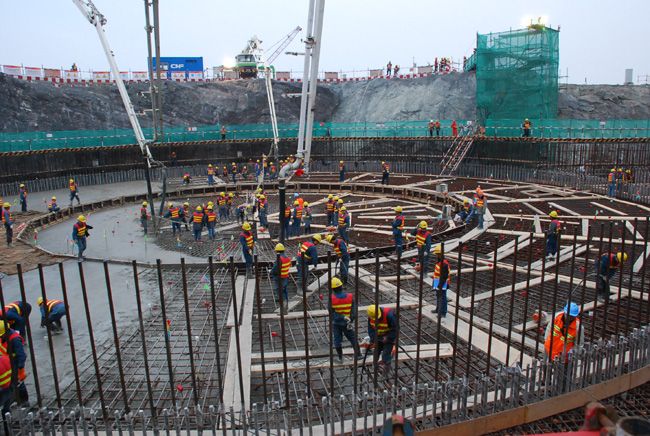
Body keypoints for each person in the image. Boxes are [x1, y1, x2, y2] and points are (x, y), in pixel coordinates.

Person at [330, 277, 361, 361]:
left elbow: (331, 313)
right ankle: (358, 355)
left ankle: (340, 358)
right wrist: (351, 319)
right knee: (353, 338)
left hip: (337, 323)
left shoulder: (331, 298)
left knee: (337, 340)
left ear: (332, 288)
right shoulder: (350, 296)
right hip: (347, 323)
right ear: (341, 286)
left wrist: (340, 317)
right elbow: (354, 310)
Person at [0, 322, 28, 406]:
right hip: (6, 362)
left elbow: (21, 355)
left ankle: (24, 400)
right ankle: (15, 398)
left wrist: (21, 369)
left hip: (15, 362)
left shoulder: (15, 339)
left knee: (18, 381)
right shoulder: (4, 336)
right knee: (11, 382)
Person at [367, 305, 398, 378]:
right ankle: (375, 368)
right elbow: (370, 329)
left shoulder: (389, 315)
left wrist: (388, 338)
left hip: (388, 337)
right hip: (378, 337)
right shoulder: (371, 317)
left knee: (385, 355)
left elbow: (395, 329)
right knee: (376, 353)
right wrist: (373, 338)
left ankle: (385, 374)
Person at [270, 243, 291, 313]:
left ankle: (284, 309)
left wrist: (271, 272)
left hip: (279, 279)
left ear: (277, 251)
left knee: (280, 292)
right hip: (285, 277)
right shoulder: (287, 258)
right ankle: (286, 305)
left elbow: (275, 270)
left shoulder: (279, 259)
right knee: (284, 291)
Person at [432, 245, 450, 319]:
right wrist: (434, 283)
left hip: (442, 283)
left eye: (437, 254)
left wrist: (440, 285)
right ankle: (438, 309)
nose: (436, 255)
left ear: (440, 254)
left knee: (442, 298)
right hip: (438, 281)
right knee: (438, 296)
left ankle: (443, 312)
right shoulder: (439, 262)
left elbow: (444, 276)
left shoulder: (444, 264)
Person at [0, 354, 14, 431]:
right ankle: (8, 429)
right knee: (6, 410)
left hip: (2, 390)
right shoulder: (6, 358)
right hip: (9, 387)